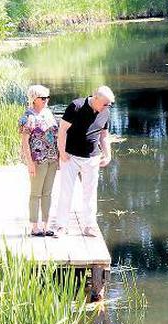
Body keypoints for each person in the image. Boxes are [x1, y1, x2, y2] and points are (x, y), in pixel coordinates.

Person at [53, 86, 115, 237]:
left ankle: (89, 226)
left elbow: (104, 135)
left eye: (109, 104)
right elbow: (62, 130)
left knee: (90, 193)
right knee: (66, 191)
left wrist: (108, 154)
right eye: (105, 104)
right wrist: (62, 151)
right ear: (95, 98)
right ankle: (61, 226)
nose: (107, 107)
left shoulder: (105, 111)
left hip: (92, 158)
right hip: (70, 156)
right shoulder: (76, 106)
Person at [19, 84, 59, 237]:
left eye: (47, 97)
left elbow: (56, 135)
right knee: (36, 193)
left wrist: (59, 157)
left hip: (52, 158)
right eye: (43, 98)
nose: (46, 100)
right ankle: (35, 227)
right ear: (34, 99)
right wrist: (30, 163)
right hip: (38, 160)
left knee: (48, 193)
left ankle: (46, 225)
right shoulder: (28, 117)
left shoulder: (49, 113)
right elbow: (24, 142)